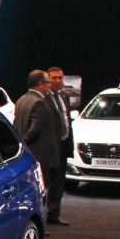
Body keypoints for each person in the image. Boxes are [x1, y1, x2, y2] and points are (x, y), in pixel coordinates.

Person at [14, 70, 66, 226]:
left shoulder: (22, 99)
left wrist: (20, 143)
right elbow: (34, 130)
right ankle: (40, 223)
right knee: (40, 192)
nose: (50, 85)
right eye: (48, 82)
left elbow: (16, 126)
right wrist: (24, 142)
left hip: (31, 154)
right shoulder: (39, 102)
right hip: (41, 155)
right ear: (40, 84)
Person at [45, 66, 72, 223]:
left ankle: (54, 214)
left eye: (60, 78)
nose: (57, 81)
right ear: (47, 79)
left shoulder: (63, 96)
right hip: (48, 148)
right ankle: (42, 214)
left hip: (62, 145)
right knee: (46, 182)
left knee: (59, 182)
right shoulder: (42, 98)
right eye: (54, 78)